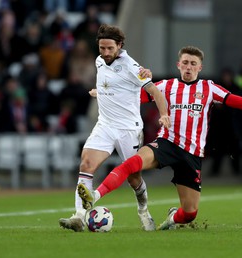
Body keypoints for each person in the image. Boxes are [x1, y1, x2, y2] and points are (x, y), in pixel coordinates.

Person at [77, 46, 242, 230]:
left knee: (190, 213)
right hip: (166, 143)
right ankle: (94, 195)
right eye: (185, 63)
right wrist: (106, 93)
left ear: (200, 67)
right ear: (178, 65)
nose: (188, 67)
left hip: (191, 154)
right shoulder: (165, 86)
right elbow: (134, 97)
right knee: (132, 163)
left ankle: (173, 218)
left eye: (193, 64)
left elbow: (240, 102)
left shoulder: (209, 88)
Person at [58, 24, 170, 232]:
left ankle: (143, 210)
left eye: (110, 48)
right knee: (86, 164)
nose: (106, 53)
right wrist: (99, 93)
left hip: (129, 129)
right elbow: (113, 87)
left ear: (119, 45)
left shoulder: (131, 66)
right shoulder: (99, 61)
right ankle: (79, 216)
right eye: (102, 48)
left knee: (134, 178)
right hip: (105, 125)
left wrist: (163, 115)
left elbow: (156, 93)